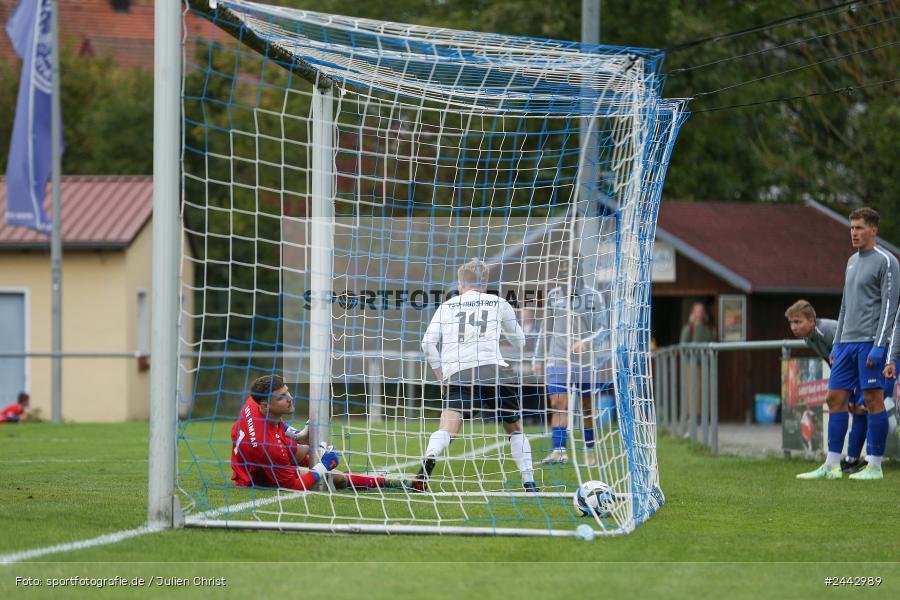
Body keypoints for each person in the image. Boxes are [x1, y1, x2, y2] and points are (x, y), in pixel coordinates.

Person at [414, 259, 538, 492]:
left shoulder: (448, 305)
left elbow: (427, 344)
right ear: (484, 282)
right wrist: (502, 329)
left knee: (448, 428)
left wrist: (441, 377)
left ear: (461, 282)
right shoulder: (499, 302)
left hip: (458, 370)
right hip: (494, 368)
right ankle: (529, 481)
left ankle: (430, 455)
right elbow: (521, 342)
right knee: (514, 427)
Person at [797, 208, 899, 481]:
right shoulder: (851, 261)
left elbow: (890, 306)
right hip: (846, 344)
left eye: (859, 228)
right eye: (852, 228)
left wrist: (879, 346)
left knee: (872, 401)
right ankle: (832, 465)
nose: (854, 232)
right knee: (834, 399)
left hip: (870, 343)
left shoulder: (887, 262)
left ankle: (875, 465)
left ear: (873, 230)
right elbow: (845, 305)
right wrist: (838, 344)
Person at [232, 374, 399, 491]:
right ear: (266, 405)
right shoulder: (269, 447)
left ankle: (381, 479)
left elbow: (276, 422)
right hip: (259, 473)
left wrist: (298, 435)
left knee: (310, 452)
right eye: (281, 397)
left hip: (258, 452)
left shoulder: (254, 402)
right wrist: (324, 465)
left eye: (287, 391)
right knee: (334, 476)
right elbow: (293, 487)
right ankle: (382, 481)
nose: (290, 398)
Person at [785, 300, 894, 473]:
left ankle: (872, 462)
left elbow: (854, 354)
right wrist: (848, 393)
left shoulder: (828, 331)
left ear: (812, 321)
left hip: (880, 363)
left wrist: (856, 390)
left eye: (798, 322)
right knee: (857, 409)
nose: (793, 327)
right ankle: (852, 460)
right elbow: (833, 363)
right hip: (855, 371)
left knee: (868, 406)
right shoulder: (809, 338)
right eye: (791, 322)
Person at [532, 262, 609, 467]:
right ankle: (559, 451)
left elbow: (603, 329)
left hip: (584, 363)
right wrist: (538, 358)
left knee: (586, 408)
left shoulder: (593, 297)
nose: (564, 273)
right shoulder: (553, 296)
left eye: (569, 269)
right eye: (562, 270)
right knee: (558, 404)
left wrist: (586, 342)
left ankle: (589, 448)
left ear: (578, 272)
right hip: (556, 359)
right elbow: (545, 329)